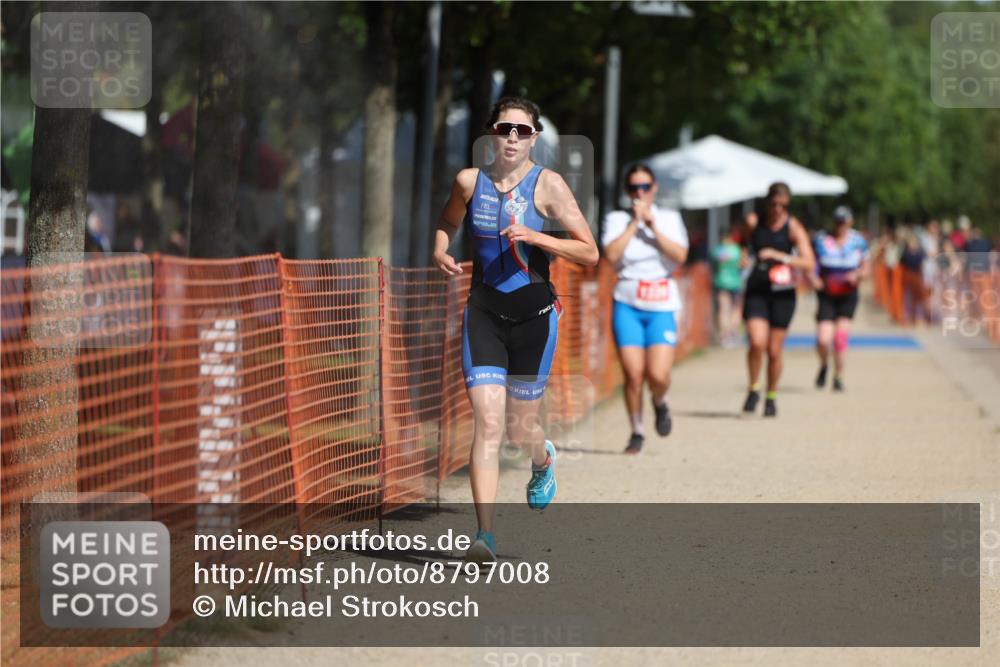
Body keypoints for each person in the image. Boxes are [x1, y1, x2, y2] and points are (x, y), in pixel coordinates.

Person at [432, 96, 598, 563]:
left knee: (519, 428)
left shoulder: (550, 187)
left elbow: (590, 253)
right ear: (490, 131)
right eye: (505, 128)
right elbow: (448, 220)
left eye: (522, 131)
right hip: (483, 315)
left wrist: (538, 236)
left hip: (535, 321)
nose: (512, 138)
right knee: (486, 423)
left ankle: (541, 458)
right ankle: (484, 535)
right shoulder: (470, 181)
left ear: (534, 138)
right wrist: (440, 248)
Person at [602, 165, 689, 454]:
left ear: (654, 188)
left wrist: (652, 226)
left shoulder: (669, 218)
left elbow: (680, 255)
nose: (640, 193)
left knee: (659, 375)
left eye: (645, 187)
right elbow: (611, 256)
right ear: (628, 192)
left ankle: (660, 402)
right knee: (633, 374)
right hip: (627, 301)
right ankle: (637, 431)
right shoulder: (616, 219)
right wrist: (633, 225)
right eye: (634, 188)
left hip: (661, 302)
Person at [741, 182, 815, 417]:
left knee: (774, 350)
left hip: (783, 294)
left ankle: (771, 395)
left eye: (783, 206)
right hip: (757, 289)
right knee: (756, 342)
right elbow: (743, 244)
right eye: (773, 204)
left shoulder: (792, 227)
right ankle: (754, 388)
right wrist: (744, 257)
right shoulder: (754, 221)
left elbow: (809, 262)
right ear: (767, 202)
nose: (777, 210)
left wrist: (780, 256)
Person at [809, 206, 869, 392]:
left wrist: (858, 274)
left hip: (847, 294)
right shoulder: (821, 239)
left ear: (850, 222)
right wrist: (814, 279)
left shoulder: (858, 241)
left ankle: (839, 375)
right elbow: (810, 263)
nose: (840, 226)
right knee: (823, 339)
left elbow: (867, 268)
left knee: (840, 338)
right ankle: (824, 365)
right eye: (837, 222)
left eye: (844, 222)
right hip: (827, 293)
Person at [712, 223, 745, 348]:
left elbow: (713, 265)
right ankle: (733, 334)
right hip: (736, 282)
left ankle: (724, 336)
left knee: (723, 309)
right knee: (735, 309)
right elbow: (742, 265)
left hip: (721, 282)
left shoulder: (717, 251)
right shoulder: (737, 250)